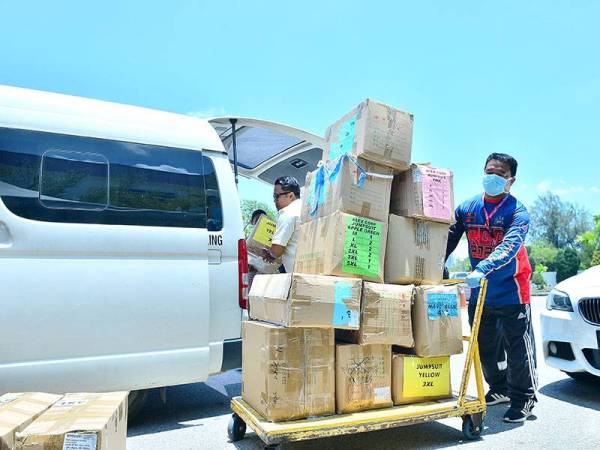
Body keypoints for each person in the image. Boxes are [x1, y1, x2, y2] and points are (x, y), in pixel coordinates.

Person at [446, 152, 537, 423]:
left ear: (511, 181)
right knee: (484, 345)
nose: (492, 177)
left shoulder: (518, 212)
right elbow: (449, 237)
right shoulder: (468, 208)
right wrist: (437, 262)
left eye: (499, 174)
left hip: (512, 289)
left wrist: (483, 268)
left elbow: (510, 246)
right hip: (481, 291)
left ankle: (524, 398)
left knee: (518, 347)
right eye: (489, 171)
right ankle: (500, 388)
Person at [263, 176, 301, 273]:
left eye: (276, 196)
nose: (274, 201)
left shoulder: (288, 212)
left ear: (290, 196)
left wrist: (270, 254)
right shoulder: (307, 209)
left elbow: (276, 250)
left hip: (297, 275)